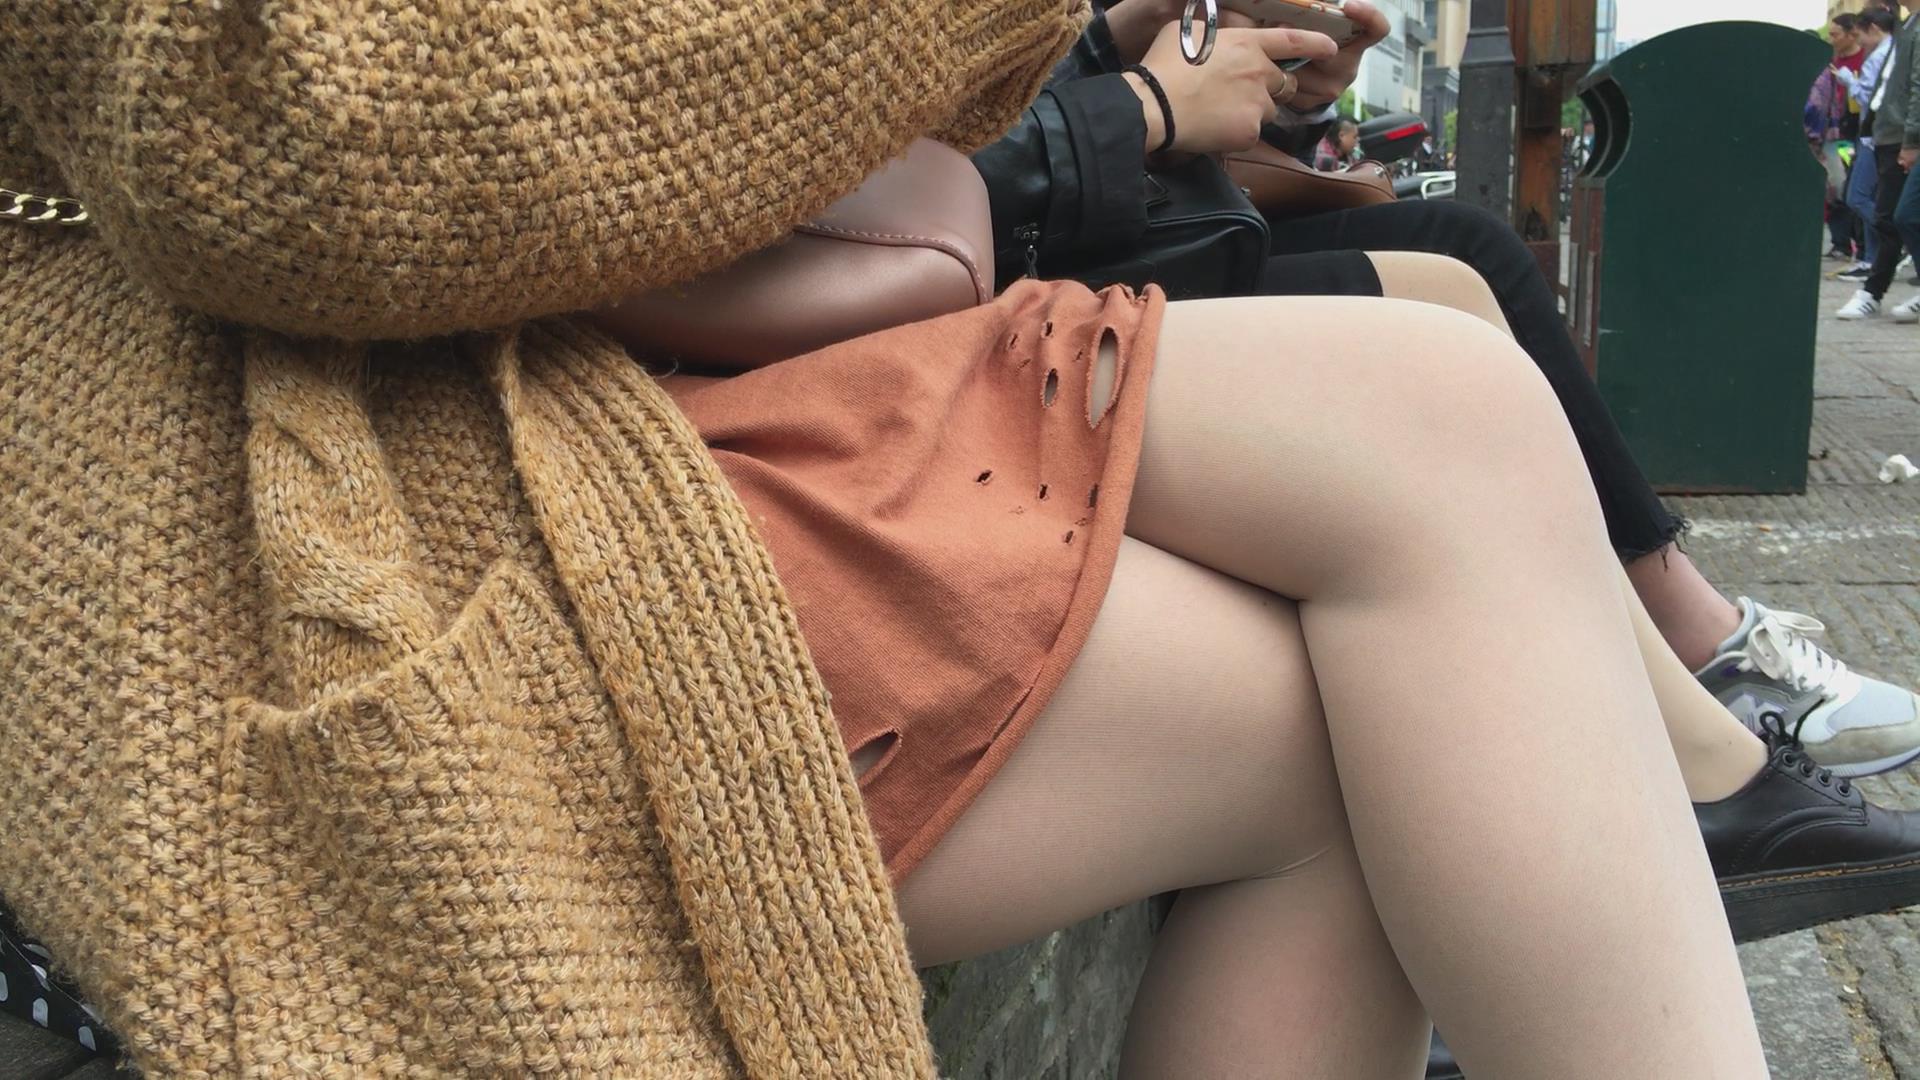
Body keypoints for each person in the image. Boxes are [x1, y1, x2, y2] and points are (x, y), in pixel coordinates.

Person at [2, 2, 1790, 1077]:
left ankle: (1706, 763)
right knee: (1422, 481)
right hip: (284, 459)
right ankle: (1712, 766)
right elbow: (283, 137)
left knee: (1437, 428)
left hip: (544, 374)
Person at [976, 0, 1920, 783]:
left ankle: (1669, 664)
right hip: (1018, 303)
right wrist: (1139, 93)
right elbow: (930, 166)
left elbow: (1060, 127)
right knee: (1444, 318)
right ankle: (1683, 690)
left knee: (1463, 249)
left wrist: (1261, 83)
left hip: (1088, 245)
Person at [1842, 2, 1920, 322]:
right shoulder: (1906, 25)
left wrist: (1911, 139)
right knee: (1893, 216)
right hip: (1887, 133)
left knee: (1899, 216)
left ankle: (1872, 292)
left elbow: (1916, 86)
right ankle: (1871, 292)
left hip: (1902, 136)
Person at [1839, 7, 1900, 283]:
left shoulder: (1878, 57)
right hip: (1879, 135)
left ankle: (1891, 244)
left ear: (1873, 28)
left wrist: (1848, 80)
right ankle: (1872, 258)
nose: (1859, 41)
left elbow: (1870, 98)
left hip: (1873, 135)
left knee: (1858, 197)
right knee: (1870, 197)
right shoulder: (1893, 51)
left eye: (1859, 34)